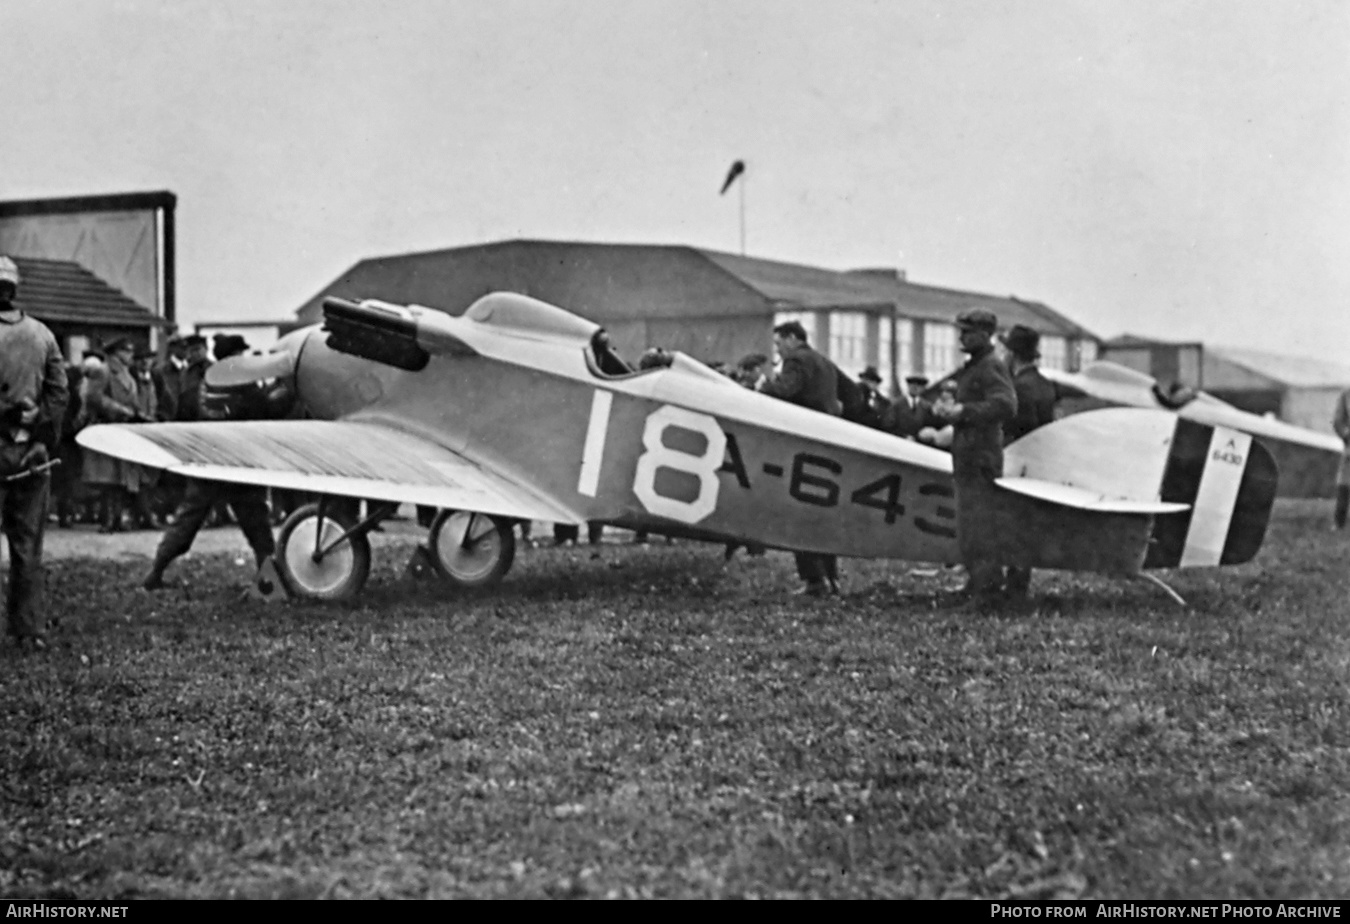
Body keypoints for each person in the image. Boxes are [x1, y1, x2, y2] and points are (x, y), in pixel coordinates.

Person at [141, 368, 296, 591]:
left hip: (205, 468)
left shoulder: (194, 393)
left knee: (186, 522)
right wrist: (288, 389)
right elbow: (271, 411)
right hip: (239, 469)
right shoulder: (248, 392)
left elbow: (182, 425)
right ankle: (270, 581)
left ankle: (155, 572)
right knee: (257, 527)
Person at [0, 256, 69, 652]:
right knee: (28, 546)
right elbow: (59, 394)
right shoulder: (42, 334)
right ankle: (27, 631)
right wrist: (40, 432)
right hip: (33, 452)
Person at [930, 308, 1017, 607]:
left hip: (980, 457)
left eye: (967, 332)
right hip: (971, 455)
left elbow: (1006, 404)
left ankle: (987, 591)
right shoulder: (978, 365)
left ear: (984, 335)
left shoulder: (990, 366)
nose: (961, 337)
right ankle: (978, 583)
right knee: (970, 525)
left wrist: (964, 412)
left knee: (979, 526)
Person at [758, 320, 842, 596]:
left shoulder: (796, 360)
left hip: (803, 444)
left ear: (793, 338)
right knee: (821, 513)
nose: (778, 349)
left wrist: (763, 386)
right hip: (827, 441)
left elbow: (783, 390)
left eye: (780, 342)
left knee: (798, 510)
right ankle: (830, 576)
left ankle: (814, 580)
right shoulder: (823, 362)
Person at [999, 324, 1058, 599]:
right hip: (1041, 461)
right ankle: (1018, 581)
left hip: (1019, 461)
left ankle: (1015, 585)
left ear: (1013, 354)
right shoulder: (1045, 385)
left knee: (1013, 523)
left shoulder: (1019, 387)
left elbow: (1022, 425)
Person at [82, 337, 152, 532]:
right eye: (126, 351)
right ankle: (108, 520)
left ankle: (118, 518)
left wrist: (139, 415)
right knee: (109, 479)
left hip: (123, 429)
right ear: (115, 353)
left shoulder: (127, 374)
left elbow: (133, 399)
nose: (130, 355)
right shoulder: (103, 371)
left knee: (121, 479)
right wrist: (121, 410)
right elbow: (94, 397)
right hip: (107, 428)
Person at [883, 374, 932, 439]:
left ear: (923, 388)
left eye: (919, 385)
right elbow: (888, 425)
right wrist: (903, 436)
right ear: (908, 386)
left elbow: (929, 426)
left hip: (920, 444)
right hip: (898, 441)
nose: (915, 388)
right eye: (912, 385)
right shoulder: (896, 404)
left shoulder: (926, 406)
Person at [1334, 386, 1350, 530]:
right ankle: (1339, 522)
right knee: (1344, 483)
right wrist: (1346, 435)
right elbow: (1338, 421)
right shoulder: (1346, 393)